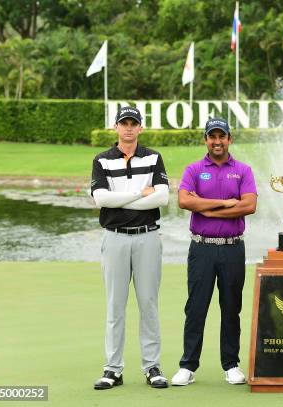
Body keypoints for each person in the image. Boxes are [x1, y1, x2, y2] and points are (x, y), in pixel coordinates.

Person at [171, 117, 257, 386]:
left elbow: (249, 206)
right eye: (212, 137)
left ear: (229, 139)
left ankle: (231, 364)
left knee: (231, 307)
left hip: (232, 248)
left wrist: (205, 207)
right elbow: (185, 200)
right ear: (205, 140)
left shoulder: (243, 170)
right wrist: (222, 203)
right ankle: (188, 365)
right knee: (196, 307)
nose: (217, 141)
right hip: (201, 249)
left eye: (222, 136)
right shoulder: (194, 169)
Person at [90, 106, 170, 390]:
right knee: (115, 305)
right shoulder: (102, 160)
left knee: (148, 303)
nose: (128, 128)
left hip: (147, 237)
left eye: (132, 123)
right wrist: (139, 193)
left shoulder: (153, 157)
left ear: (140, 128)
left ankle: (152, 367)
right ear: (116, 127)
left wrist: (120, 199)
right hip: (114, 238)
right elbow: (101, 199)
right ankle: (113, 369)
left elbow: (161, 198)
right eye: (123, 123)